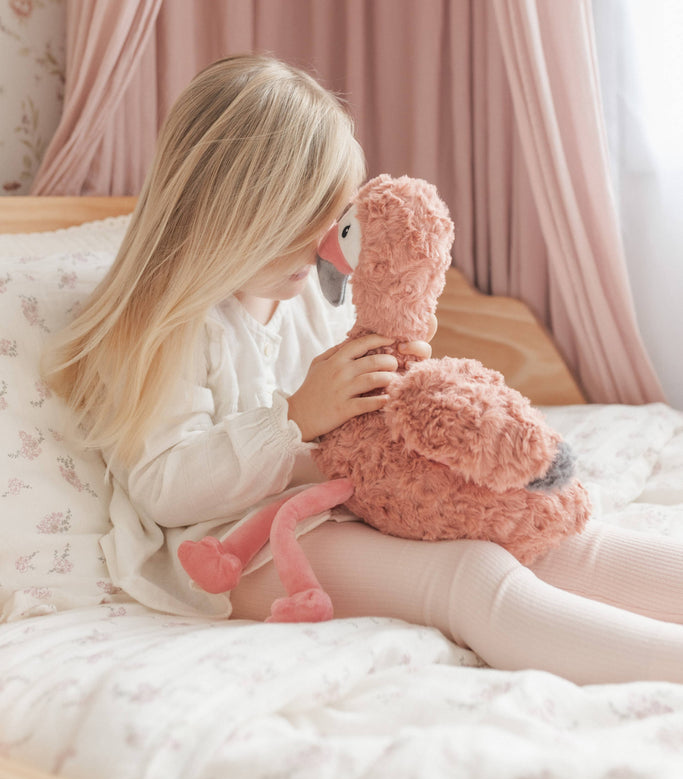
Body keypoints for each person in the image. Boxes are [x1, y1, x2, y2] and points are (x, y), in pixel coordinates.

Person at [45, 53, 683, 687]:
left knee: (549, 537)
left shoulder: (304, 298)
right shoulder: (170, 327)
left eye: (332, 213)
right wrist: (296, 418)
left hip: (348, 503)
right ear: (229, 216)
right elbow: (164, 488)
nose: (323, 242)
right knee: (469, 576)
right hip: (233, 545)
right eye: (298, 219)